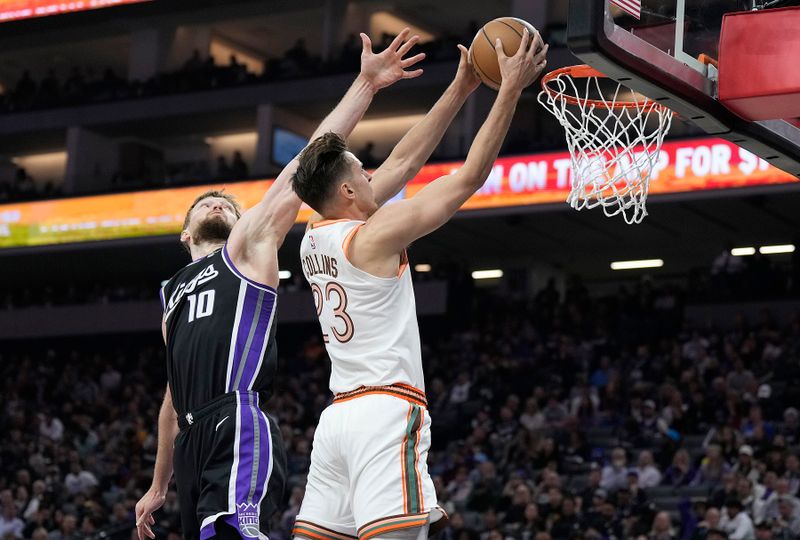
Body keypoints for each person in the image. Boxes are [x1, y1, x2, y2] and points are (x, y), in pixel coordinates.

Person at [133, 28, 426, 540]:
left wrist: (366, 86)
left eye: (227, 201)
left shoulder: (244, 248)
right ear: (185, 231)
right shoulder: (171, 293)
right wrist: (158, 484)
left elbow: (301, 167)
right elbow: (170, 397)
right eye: (206, 202)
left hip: (236, 420)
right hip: (192, 439)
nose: (218, 202)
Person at [290, 29, 548, 540]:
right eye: (363, 173)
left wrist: (462, 85)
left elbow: (404, 162)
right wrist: (510, 89)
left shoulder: (313, 238)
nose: (373, 176)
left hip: (337, 421)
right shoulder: (374, 235)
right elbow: (470, 176)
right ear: (346, 189)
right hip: (386, 411)